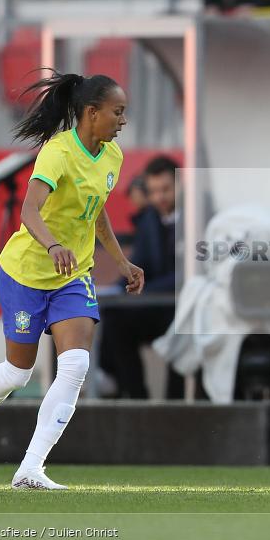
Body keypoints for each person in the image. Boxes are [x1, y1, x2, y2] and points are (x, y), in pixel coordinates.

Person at [0, 71, 144, 489]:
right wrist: (54, 245)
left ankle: (30, 469)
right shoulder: (57, 152)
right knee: (18, 373)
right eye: (117, 112)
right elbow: (30, 211)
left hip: (73, 275)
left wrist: (122, 262)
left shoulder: (112, 157)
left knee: (75, 365)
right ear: (91, 112)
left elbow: (96, 211)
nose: (123, 120)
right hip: (26, 272)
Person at [99, 155, 184, 399]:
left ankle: (175, 406)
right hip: (155, 306)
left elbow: (188, 275)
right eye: (153, 191)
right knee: (114, 316)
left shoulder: (197, 216)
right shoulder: (149, 219)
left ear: (180, 185)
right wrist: (119, 290)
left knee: (184, 330)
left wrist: (144, 290)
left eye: (165, 189)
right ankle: (135, 398)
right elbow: (138, 264)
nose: (159, 197)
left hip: (183, 308)